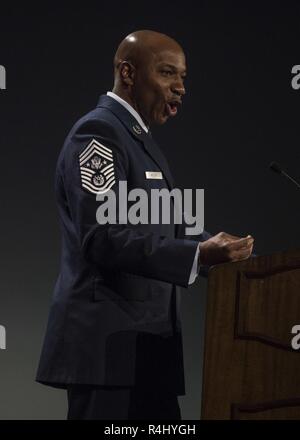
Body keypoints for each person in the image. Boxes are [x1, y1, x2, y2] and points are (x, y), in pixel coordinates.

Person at [36, 30, 254, 420]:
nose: (180, 87)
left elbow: (163, 228)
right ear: (128, 72)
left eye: (183, 77)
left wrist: (225, 256)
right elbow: (102, 237)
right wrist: (196, 254)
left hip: (146, 355)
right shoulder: (98, 133)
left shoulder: (138, 139)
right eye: (168, 73)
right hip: (107, 355)